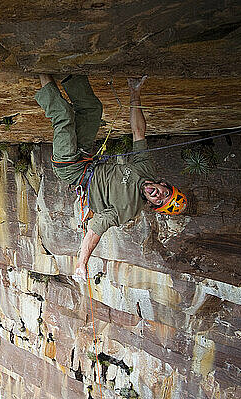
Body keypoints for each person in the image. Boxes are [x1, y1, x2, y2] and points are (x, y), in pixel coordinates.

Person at [35, 74, 187, 281]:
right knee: (92, 110)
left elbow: (95, 231)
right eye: (165, 193)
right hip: (87, 157)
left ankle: (42, 70)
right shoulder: (146, 170)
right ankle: (70, 70)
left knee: (63, 116)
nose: (158, 195)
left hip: (71, 168)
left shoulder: (127, 209)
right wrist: (135, 92)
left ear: (152, 205)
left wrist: (82, 263)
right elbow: (138, 133)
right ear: (163, 184)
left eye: (159, 202)